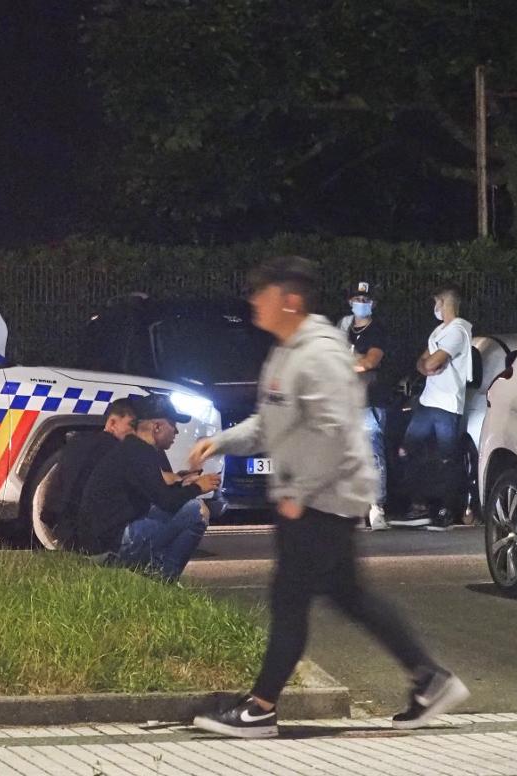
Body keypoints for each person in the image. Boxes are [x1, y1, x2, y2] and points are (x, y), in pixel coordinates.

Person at [188, 256, 468, 739]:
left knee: (289, 596)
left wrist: (298, 490)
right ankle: (429, 679)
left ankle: (260, 708)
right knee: (348, 594)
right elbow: (273, 420)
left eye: (263, 292)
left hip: (326, 497)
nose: (254, 301)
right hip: (317, 495)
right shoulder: (287, 350)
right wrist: (224, 441)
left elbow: (333, 431)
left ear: (290, 300)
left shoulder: (319, 354)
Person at [77, 395, 220, 582]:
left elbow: (156, 491)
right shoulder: (139, 452)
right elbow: (166, 502)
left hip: (101, 540)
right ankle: (164, 579)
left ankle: (155, 569)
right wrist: (196, 488)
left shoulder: (133, 448)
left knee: (177, 509)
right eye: (173, 424)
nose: (176, 431)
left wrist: (181, 483)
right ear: (157, 427)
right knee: (195, 511)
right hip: (110, 545)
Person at [390, 285, 473, 531]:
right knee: (407, 451)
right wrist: (427, 364)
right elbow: (422, 363)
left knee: (447, 459)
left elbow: (433, 362)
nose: (434, 308)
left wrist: (428, 363)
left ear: (443, 302)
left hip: (447, 405)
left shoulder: (458, 331)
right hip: (427, 402)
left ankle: (446, 511)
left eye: (436, 303)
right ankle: (419, 507)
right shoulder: (439, 331)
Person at [41, 398, 138, 550]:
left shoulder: (78, 441)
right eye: (132, 426)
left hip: (60, 529)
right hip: (90, 538)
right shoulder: (116, 451)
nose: (135, 432)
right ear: (112, 423)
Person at [337, 281, 390, 530]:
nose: (361, 304)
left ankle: (376, 507)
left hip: (370, 402)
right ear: (350, 302)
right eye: (357, 300)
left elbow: (369, 362)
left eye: (365, 300)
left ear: (373, 304)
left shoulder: (377, 330)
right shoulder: (344, 329)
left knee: (373, 456)